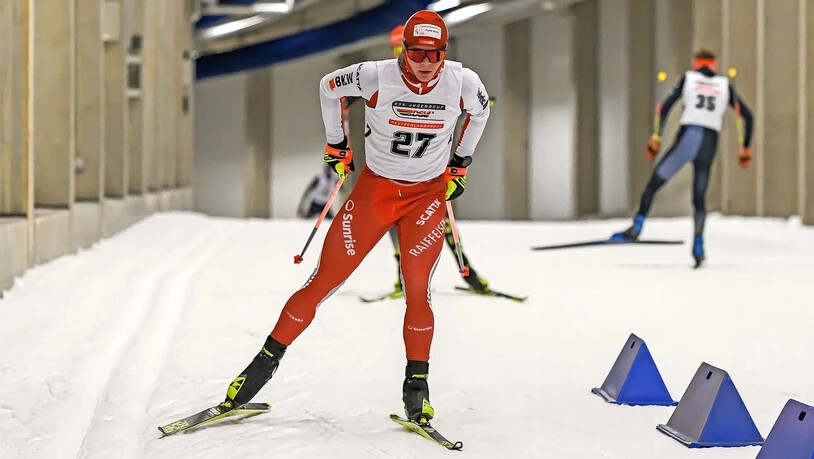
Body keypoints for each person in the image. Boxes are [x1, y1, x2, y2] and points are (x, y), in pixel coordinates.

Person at [223, 10, 490, 425]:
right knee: (322, 282)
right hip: (376, 193)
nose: (423, 63)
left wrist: (460, 163)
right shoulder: (376, 75)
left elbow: (481, 111)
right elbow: (328, 88)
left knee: (418, 288)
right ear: (404, 51)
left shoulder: (463, 82)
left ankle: (416, 388)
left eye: (432, 54)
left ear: (444, 53)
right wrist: (336, 145)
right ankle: (260, 367)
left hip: (426, 197)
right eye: (415, 53)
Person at [612, 49, 754, 267]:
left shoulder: (689, 79)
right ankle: (698, 245)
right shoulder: (725, 86)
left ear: (697, 64)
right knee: (699, 197)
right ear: (713, 66)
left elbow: (664, 108)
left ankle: (636, 227)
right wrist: (745, 148)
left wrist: (656, 137)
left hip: (689, 137)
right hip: (709, 142)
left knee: (653, 184)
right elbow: (748, 116)